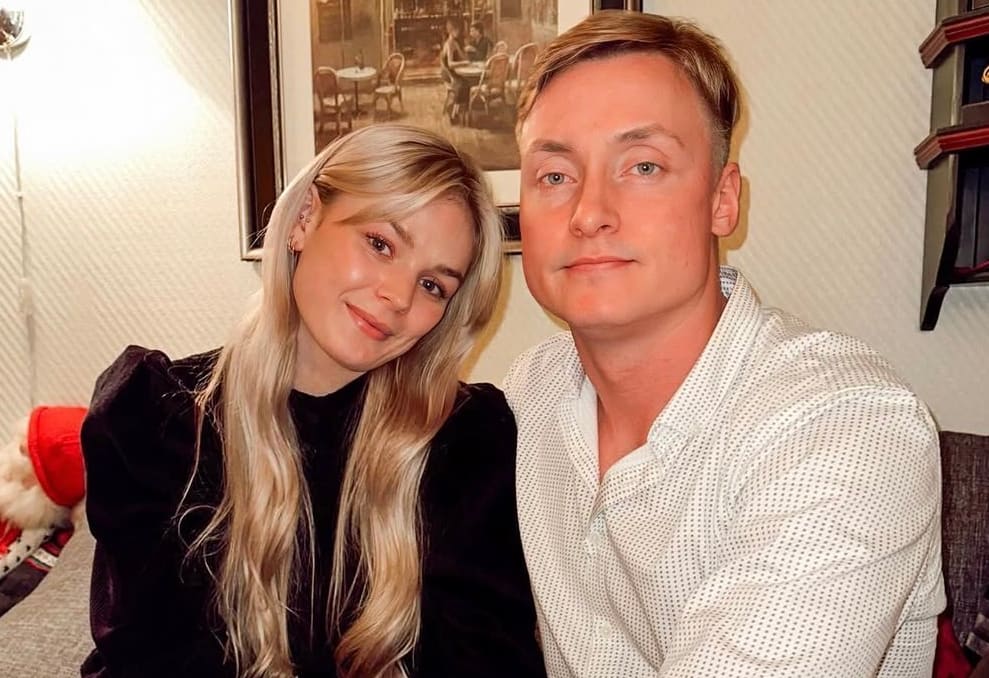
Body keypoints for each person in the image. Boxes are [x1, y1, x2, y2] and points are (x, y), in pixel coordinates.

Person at [506, 11, 944, 677]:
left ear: (722, 200)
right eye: (554, 176)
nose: (588, 212)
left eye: (643, 165)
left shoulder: (851, 425)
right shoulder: (526, 396)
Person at [80, 124, 546, 678]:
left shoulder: (465, 444)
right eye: (380, 244)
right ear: (305, 218)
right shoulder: (158, 421)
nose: (398, 296)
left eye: (432, 286)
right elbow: (148, 657)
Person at [440, 20, 470, 124]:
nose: (458, 32)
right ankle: (454, 113)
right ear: (451, 31)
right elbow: (450, 64)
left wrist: (465, 52)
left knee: (467, 83)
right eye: (457, 30)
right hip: (449, 74)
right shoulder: (449, 44)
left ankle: (463, 112)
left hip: (455, 72)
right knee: (463, 85)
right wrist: (463, 63)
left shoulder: (455, 43)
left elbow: (463, 58)